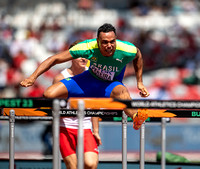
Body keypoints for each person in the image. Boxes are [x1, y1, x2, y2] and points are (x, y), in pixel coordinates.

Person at [20, 23, 150, 130]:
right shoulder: (87, 47)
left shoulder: (127, 49)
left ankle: (136, 118)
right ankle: (61, 116)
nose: (109, 46)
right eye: (104, 42)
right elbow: (55, 58)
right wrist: (33, 77)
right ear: (97, 42)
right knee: (48, 94)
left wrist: (140, 82)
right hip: (88, 81)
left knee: (122, 91)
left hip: (110, 86)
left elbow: (138, 56)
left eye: (112, 42)